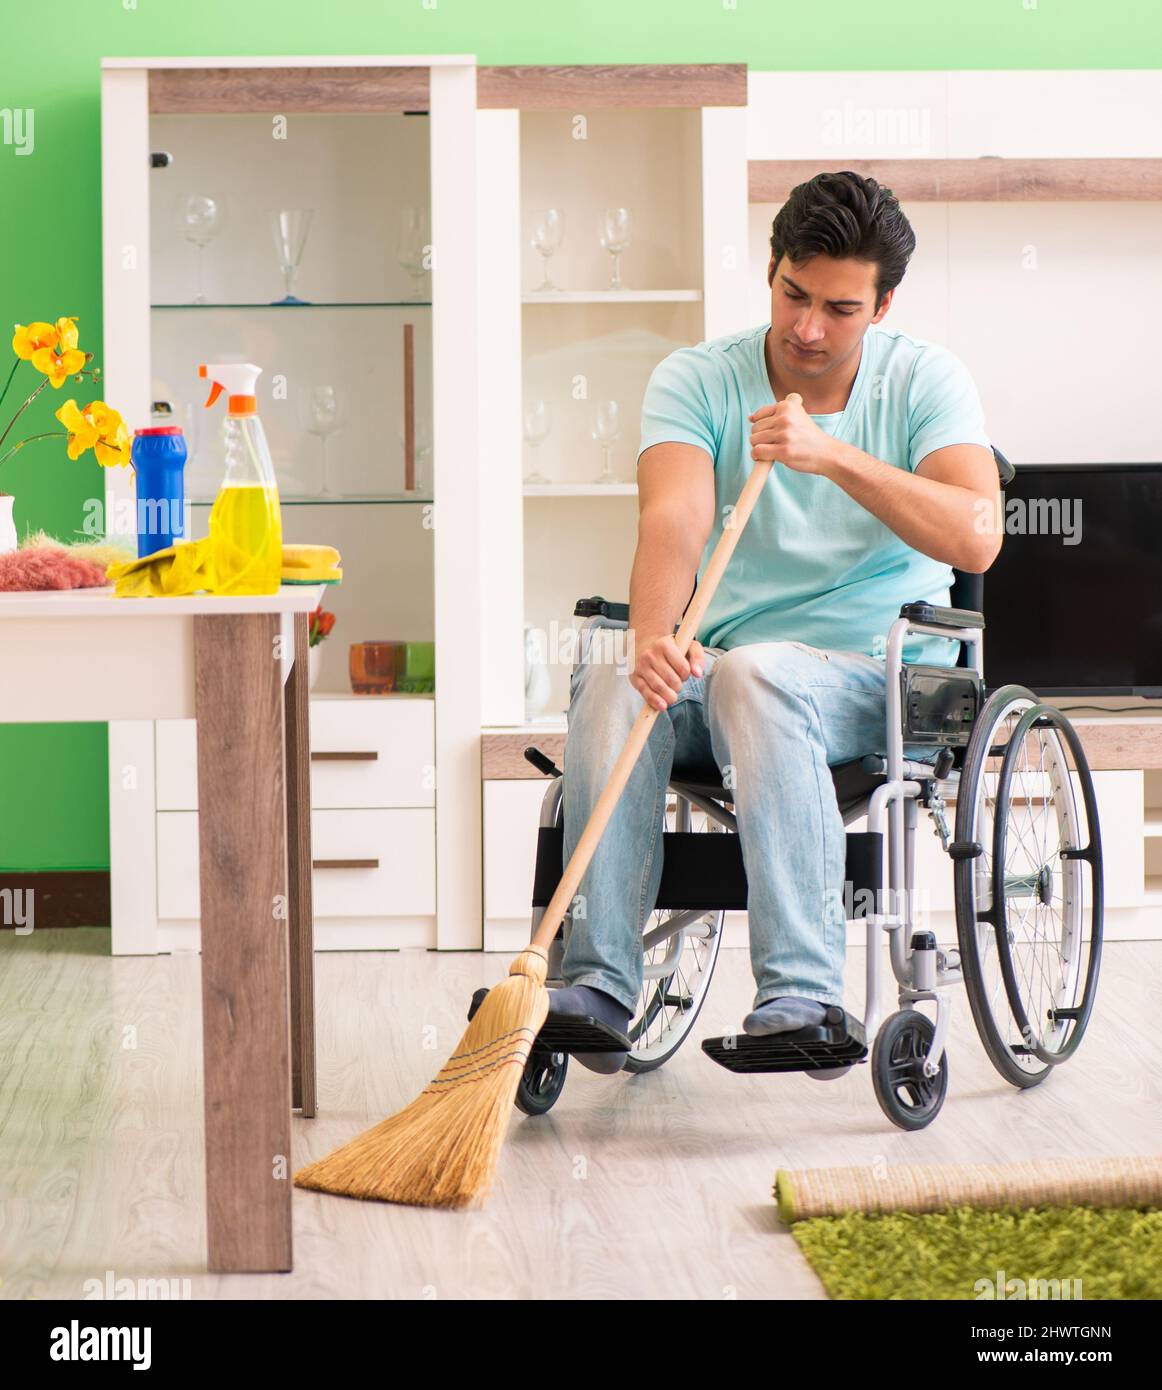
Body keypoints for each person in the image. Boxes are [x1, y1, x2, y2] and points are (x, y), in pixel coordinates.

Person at [550, 170, 1002, 1072]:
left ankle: (804, 993)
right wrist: (652, 637)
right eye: (793, 295)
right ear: (770, 269)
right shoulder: (697, 378)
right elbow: (673, 519)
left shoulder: (924, 379)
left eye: (838, 308)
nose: (806, 328)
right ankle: (599, 987)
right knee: (608, 674)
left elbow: (977, 535)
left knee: (761, 670)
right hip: (725, 673)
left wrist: (831, 456)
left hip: (881, 677)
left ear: (882, 306)